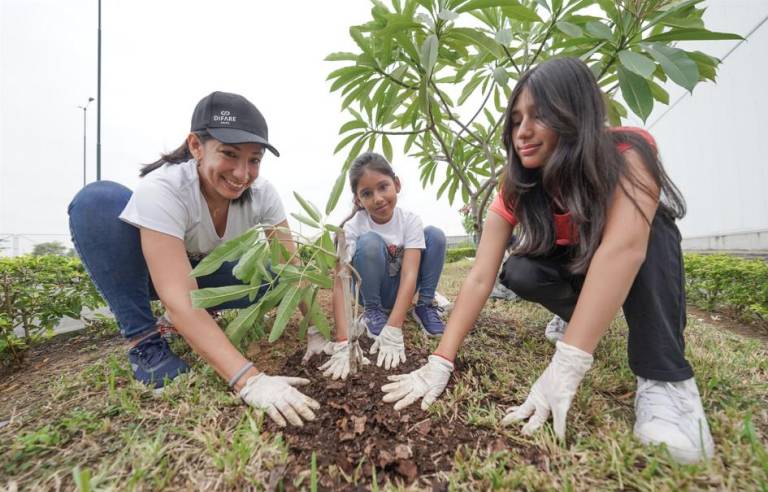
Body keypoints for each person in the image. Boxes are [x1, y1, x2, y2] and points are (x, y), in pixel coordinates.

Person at [379, 58, 715, 464]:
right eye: (517, 119)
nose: (523, 132)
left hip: (623, 266)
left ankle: (665, 379)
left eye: (539, 116)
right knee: (518, 270)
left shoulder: (629, 151)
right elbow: (481, 276)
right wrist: (441, 360)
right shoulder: (518, 185)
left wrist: (568, 363)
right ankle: (578, 318)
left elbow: (623, 250)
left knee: (655, 226)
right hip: (577, 271)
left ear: (575, 113)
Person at [68, 91, 319, 427]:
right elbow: (179, 296)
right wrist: (250, 379)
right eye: (229, 154)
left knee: (268, 275)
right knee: (98, 201)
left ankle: (196, 320)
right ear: (196, 146)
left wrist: (322, 334)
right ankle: (144, 339)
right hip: (149, 275)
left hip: (200, 274)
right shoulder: (164, 188)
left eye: (254, 160)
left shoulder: (262, 195)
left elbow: (292, 269)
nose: (243, 174)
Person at [315, 152, 447, 380]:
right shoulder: (352, 228)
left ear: (396, 184)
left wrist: (394, 328)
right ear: (358, 200)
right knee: (370, 241)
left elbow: (410, 273)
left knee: (435, 235)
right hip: (370, 293)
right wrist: (342, 340)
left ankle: (424, 306)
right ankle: (373, 312)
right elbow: (341, 282)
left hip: (401, 289)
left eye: (383, 187)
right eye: (367, 193)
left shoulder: (409, 221)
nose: (377, 198)